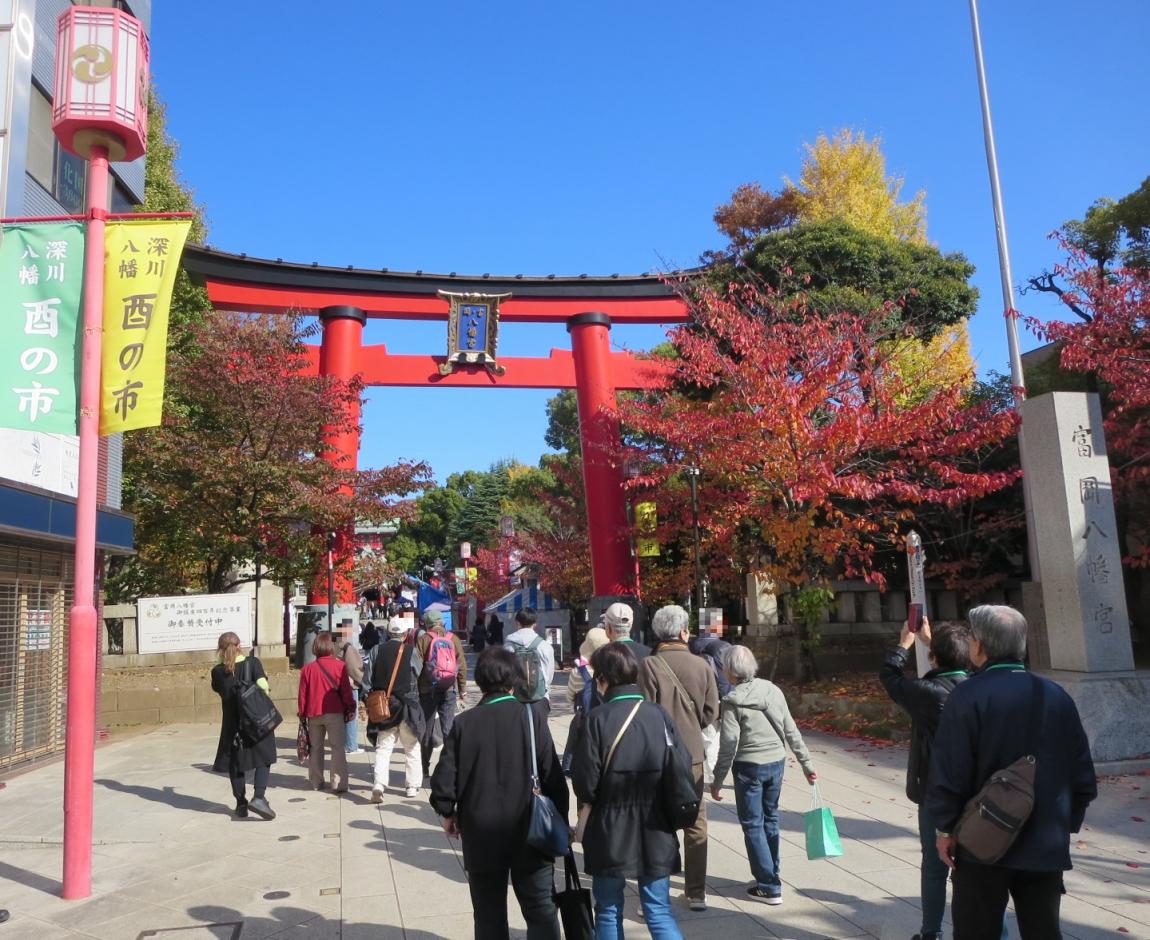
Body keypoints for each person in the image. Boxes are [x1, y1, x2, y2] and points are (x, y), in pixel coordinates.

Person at [926, 605, 1098, 940]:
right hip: (1046, 837)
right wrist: (1065, 822)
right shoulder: (1057, 695)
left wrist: (945, 827)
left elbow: (950, 770)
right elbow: (1082, 773)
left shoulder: (968, 696)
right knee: (1043, 930)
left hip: (982, 839)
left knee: (977, 930)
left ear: (980, 646)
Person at [432, 646, 569, 940]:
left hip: (481, 829)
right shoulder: (532, 718)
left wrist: (446, 812)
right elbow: (553, 776)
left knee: (488, 913)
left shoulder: (464, 723)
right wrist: (562, 817)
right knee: (541, 907)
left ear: (480, 682)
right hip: (530, 828)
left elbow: (444, 779)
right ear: (514, 680)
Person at [880, 617, 987, 940]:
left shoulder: (926, 693)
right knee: (978, 870)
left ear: (934, 659)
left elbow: (889, 676)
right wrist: (933, 645)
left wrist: (905, 644)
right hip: (980, 791)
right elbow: (967, 666)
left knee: (935, 866)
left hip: (935, 791)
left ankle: (931, 933)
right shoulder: (980, 686)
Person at [573, 642, 689, 939]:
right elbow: (681, 764)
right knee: (658, 908)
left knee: (609, 907)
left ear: (603, 679)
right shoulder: (659, 715)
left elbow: (586, 782)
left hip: (610, 827)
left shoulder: (597, 719)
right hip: (656, 823)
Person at [710, 645, 816, 904]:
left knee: (753, 824)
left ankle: (768, 885)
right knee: (770, 818)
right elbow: (791, 729)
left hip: (749, 768)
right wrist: (806, 763)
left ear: (730, 671)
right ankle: (771, 872)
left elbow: (729, 744)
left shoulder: (733, 700)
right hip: (776, 763)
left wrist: (718, 779)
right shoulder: (773, 690)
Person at [639, 604, 719, 912]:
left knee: (659, 819)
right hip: (693, 754)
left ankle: (657, 892)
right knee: (696, 822)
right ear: (684, 632)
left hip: (659, 754)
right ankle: (696, 891)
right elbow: (712, 711)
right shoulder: (702, 665)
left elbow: (646, 710)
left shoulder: (650, 665)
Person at [210, 631, 277, 819]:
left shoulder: (217, 672)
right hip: (255, 722)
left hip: (232, 725)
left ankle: (241, 804)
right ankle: (259, 797)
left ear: (220, 650)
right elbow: (264, 687)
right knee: (264, 758)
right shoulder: (253, 663)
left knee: (236, 764)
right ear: (240, 645)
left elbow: (218, 689)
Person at [369, 617, 423, 800]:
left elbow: (367, 680)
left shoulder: (377, 650)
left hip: (384, 706)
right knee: (412, 748)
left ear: (388, 633)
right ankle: (412, 787)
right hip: (407, 705)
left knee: (383, 748)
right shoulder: (411, 651)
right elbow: (419, 671)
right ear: (405, 634)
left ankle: (379, 784)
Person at [297, 631, 356, 793]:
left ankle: (316, 781)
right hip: (334, 712)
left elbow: (302, 695)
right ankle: (338, 782)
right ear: (331, 647)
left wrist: (302, 713)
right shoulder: (339, 666)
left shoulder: (307, 669)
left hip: (313, 713)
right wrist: (351, 707)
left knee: (316, 747)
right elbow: (346, 691)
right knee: (337, 748)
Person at [415, 610, 468, 780]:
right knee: (448, 729)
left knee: (427, 730)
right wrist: (462, 689)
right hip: (449, 689)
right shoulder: (453, 639)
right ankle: (453, 767)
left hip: (427, 690)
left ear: (427, 624)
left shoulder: (424, 639)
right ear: (441, 622)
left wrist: (415, 690)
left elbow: (415, 666)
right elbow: (462, 665)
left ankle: (424, 768)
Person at [563, 626, 610, 776]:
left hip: (584, 720)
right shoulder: (610, 669)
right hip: (607, 719)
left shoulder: (578, 671)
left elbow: (569, 697)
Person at [688, 634, 731, 785]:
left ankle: (714, 777)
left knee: (710, 739)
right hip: (722, 699)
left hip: (702, 699)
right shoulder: (723, 647)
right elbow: (726, 679)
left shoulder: (691, 647)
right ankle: (719, 778)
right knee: (723, 739)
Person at [504, 607, 555, 707]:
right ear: (535, 624)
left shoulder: (508, 645)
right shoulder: (544, 646)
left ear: (517, 622)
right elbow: (549, 675)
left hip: (514, 697)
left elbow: (505, 671)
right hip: (539, 697)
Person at [336, 627, 366, 754]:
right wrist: (362, 681)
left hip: (337, 686)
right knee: (351, 717)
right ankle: (351, 745)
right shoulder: (348, 647)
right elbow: (355, 669)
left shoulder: (333, 647)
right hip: (350, 685)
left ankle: (346, 742)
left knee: (343, 717)